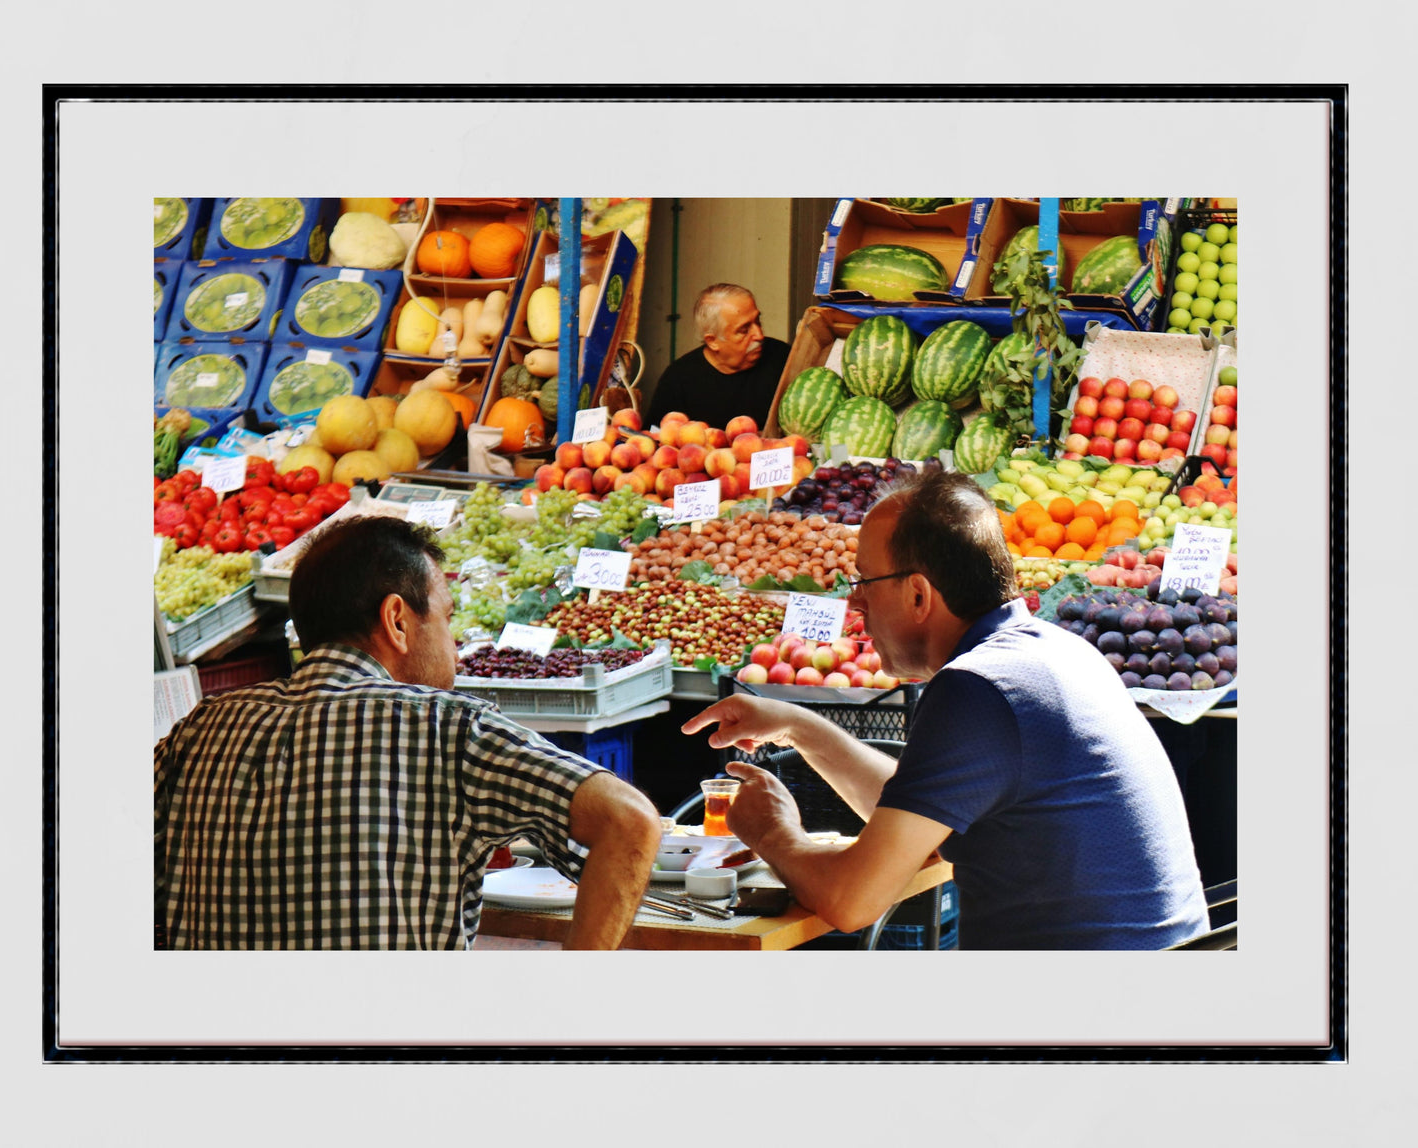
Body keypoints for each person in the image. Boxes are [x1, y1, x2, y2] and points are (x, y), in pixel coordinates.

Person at [683, 467, 1210, 950]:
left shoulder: (979, 688)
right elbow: (917, 819)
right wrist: (800, 728)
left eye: (864, 582)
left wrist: (774, 835)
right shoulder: (1053, 651)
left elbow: (851, 900)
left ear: (918, 594)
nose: (855, 604)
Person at [155, 514, 661, 950]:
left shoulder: (199, 729)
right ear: (396, 619)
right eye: (446, 618)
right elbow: (631, 820)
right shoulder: (449, 729)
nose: (456, 642)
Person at [646, 283, 790, 431]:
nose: (759, 335)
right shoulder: (678, 381)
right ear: (713, 341)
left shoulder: (782, 358)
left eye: (758, 321)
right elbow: (657, 438)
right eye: (744, 330)